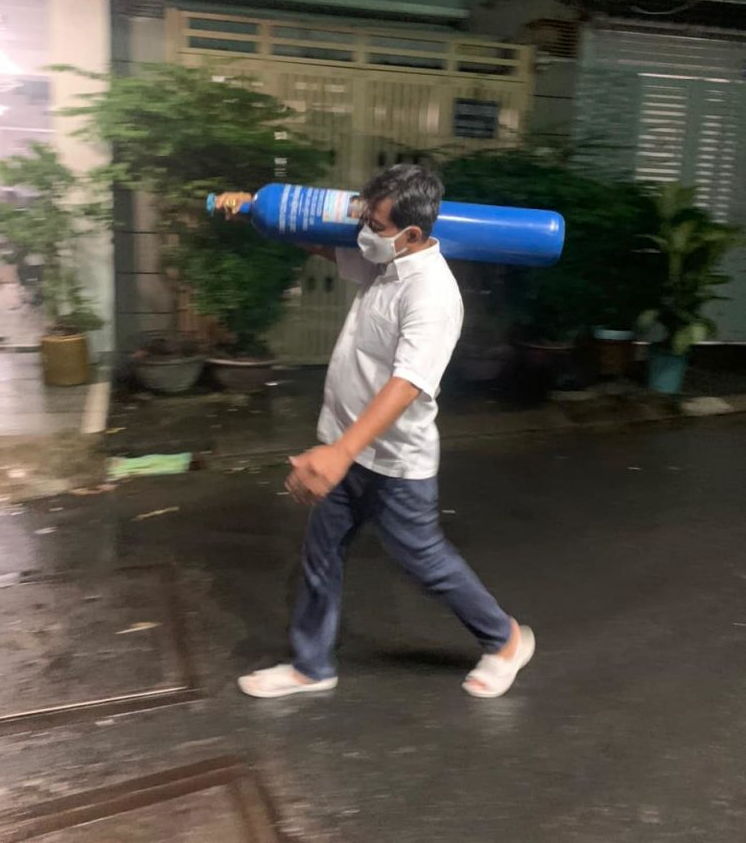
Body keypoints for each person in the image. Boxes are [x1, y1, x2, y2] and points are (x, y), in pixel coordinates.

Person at [219, 166, 534, 700]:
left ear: (411, 233)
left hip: (393, 461)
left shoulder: (432, 295)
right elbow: (325, 247)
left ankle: (505, 640)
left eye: (376, 224)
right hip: (346, 446)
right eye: (365, 217)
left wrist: (341, 452)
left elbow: (408, 383)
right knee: (321, 554)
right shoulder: (384, 261)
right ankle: (312, 665)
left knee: (424, 560)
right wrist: (257, 212)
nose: (364, 231)